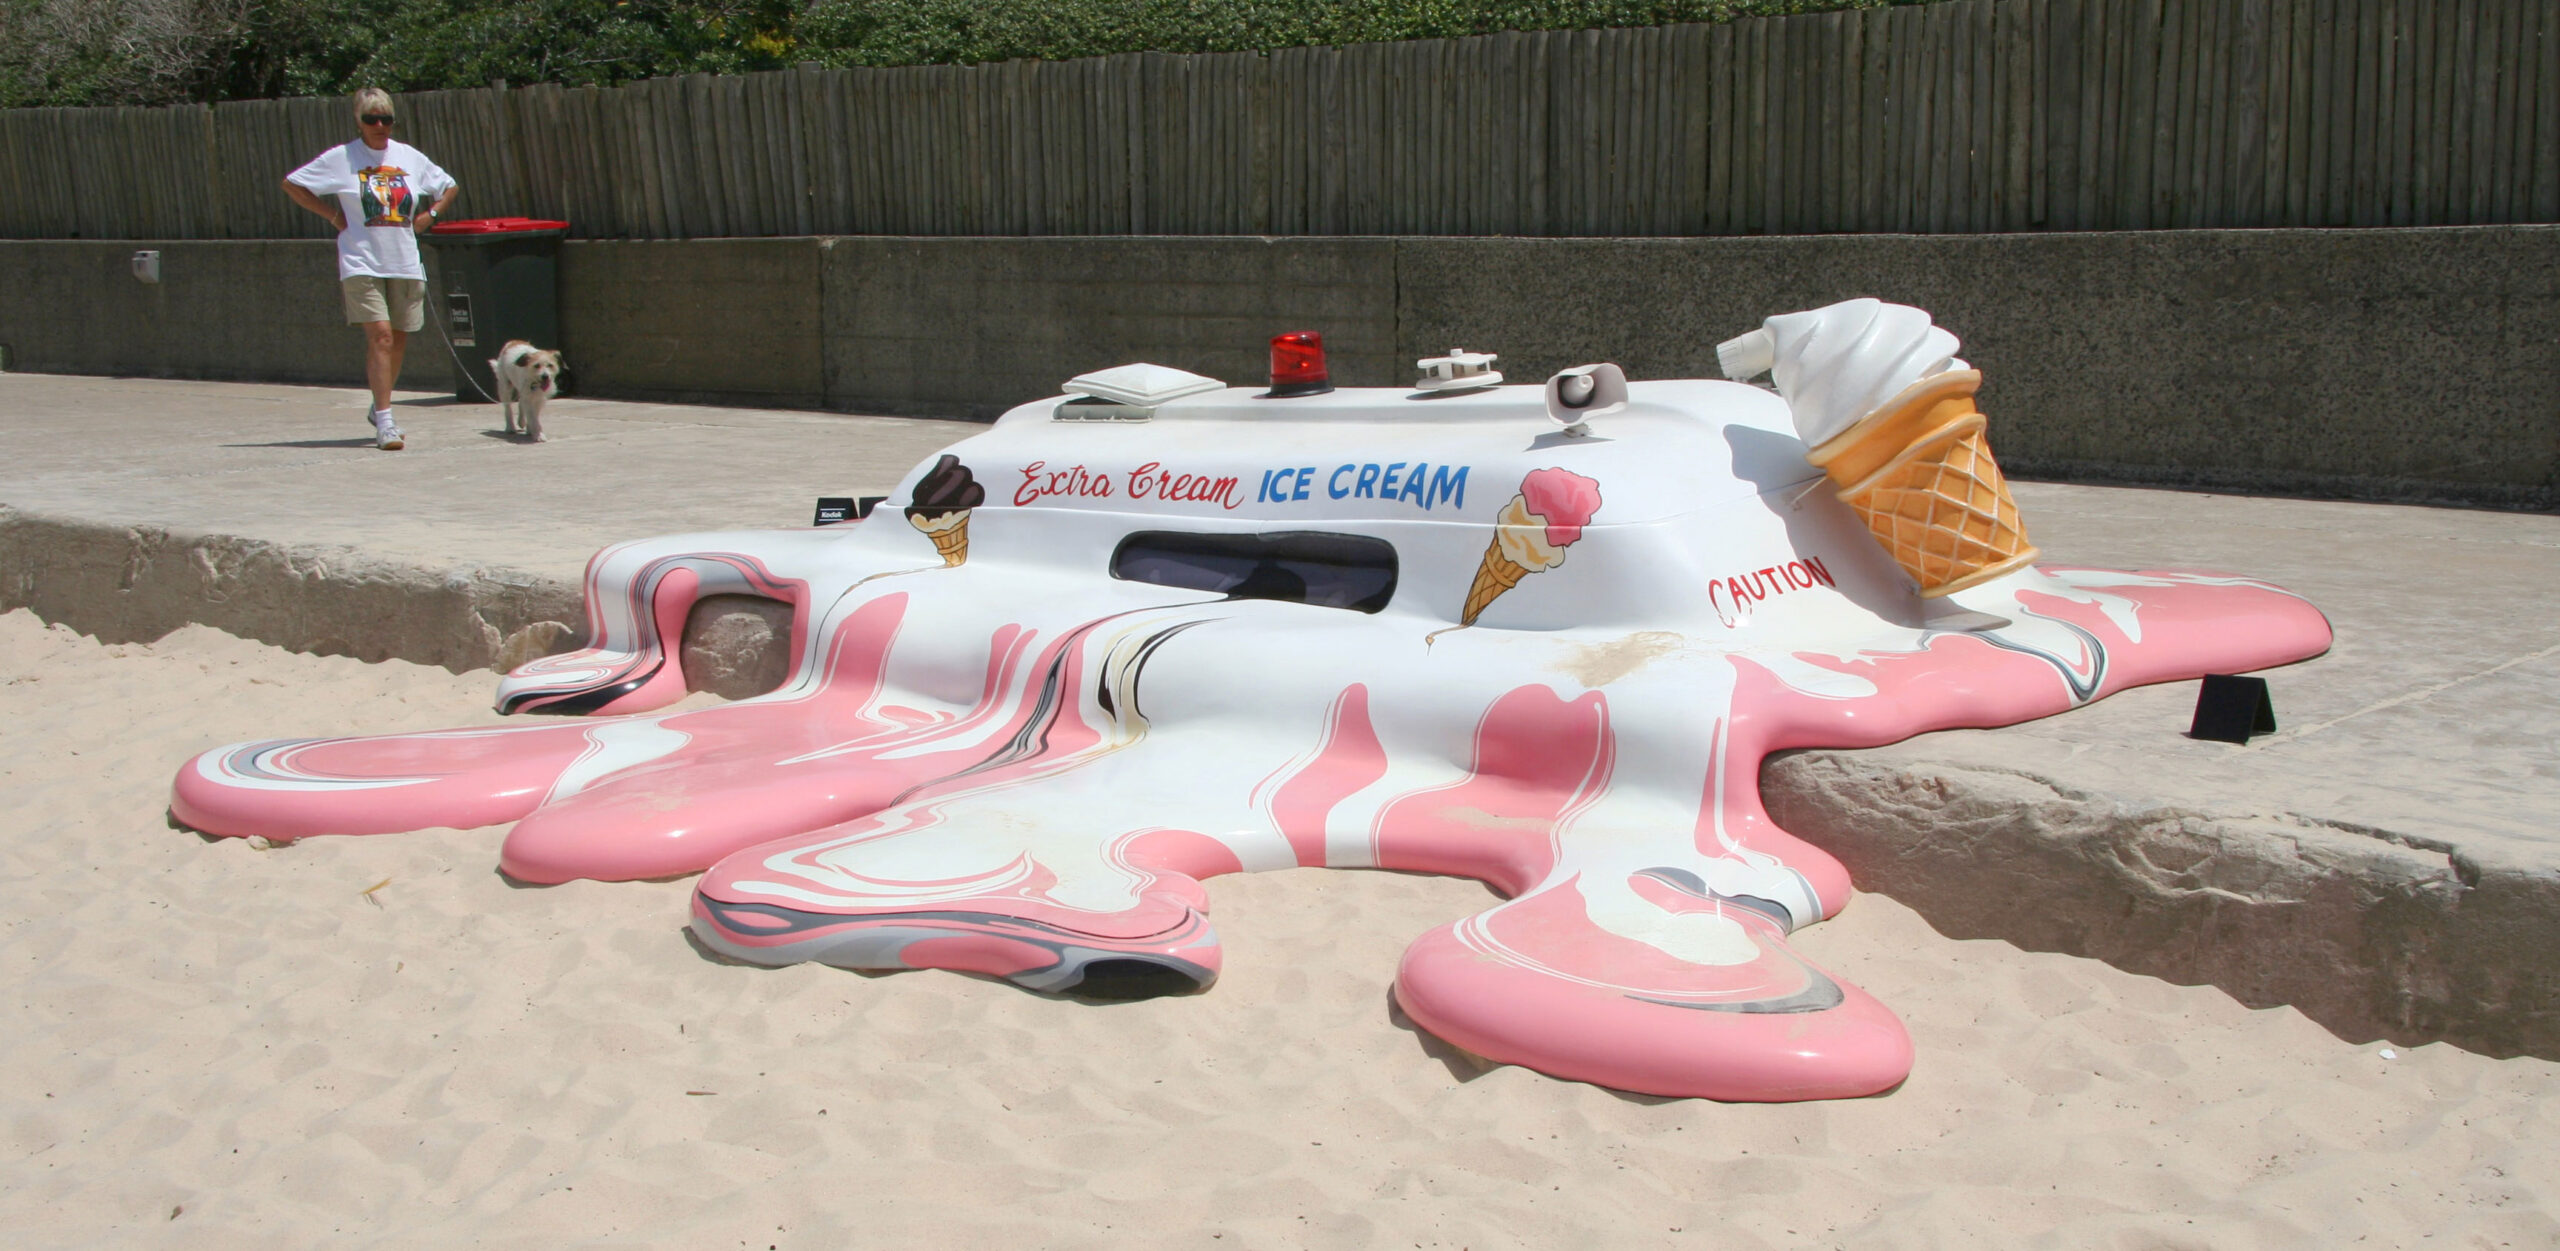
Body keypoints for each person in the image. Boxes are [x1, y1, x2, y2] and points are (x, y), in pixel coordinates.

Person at [282, 88, 458, 451]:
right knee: (381, 336)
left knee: (399, 336)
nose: (379, 126)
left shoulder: (408, 156)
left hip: (404, 259)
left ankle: (377, 407)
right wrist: (332, 215)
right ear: (358, 122)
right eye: (371, 119)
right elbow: (293, 184)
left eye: (386, 119)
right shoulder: (342, 158)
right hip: (361, 259)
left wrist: (431, 214)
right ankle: (386, 420)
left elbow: (448, 186)